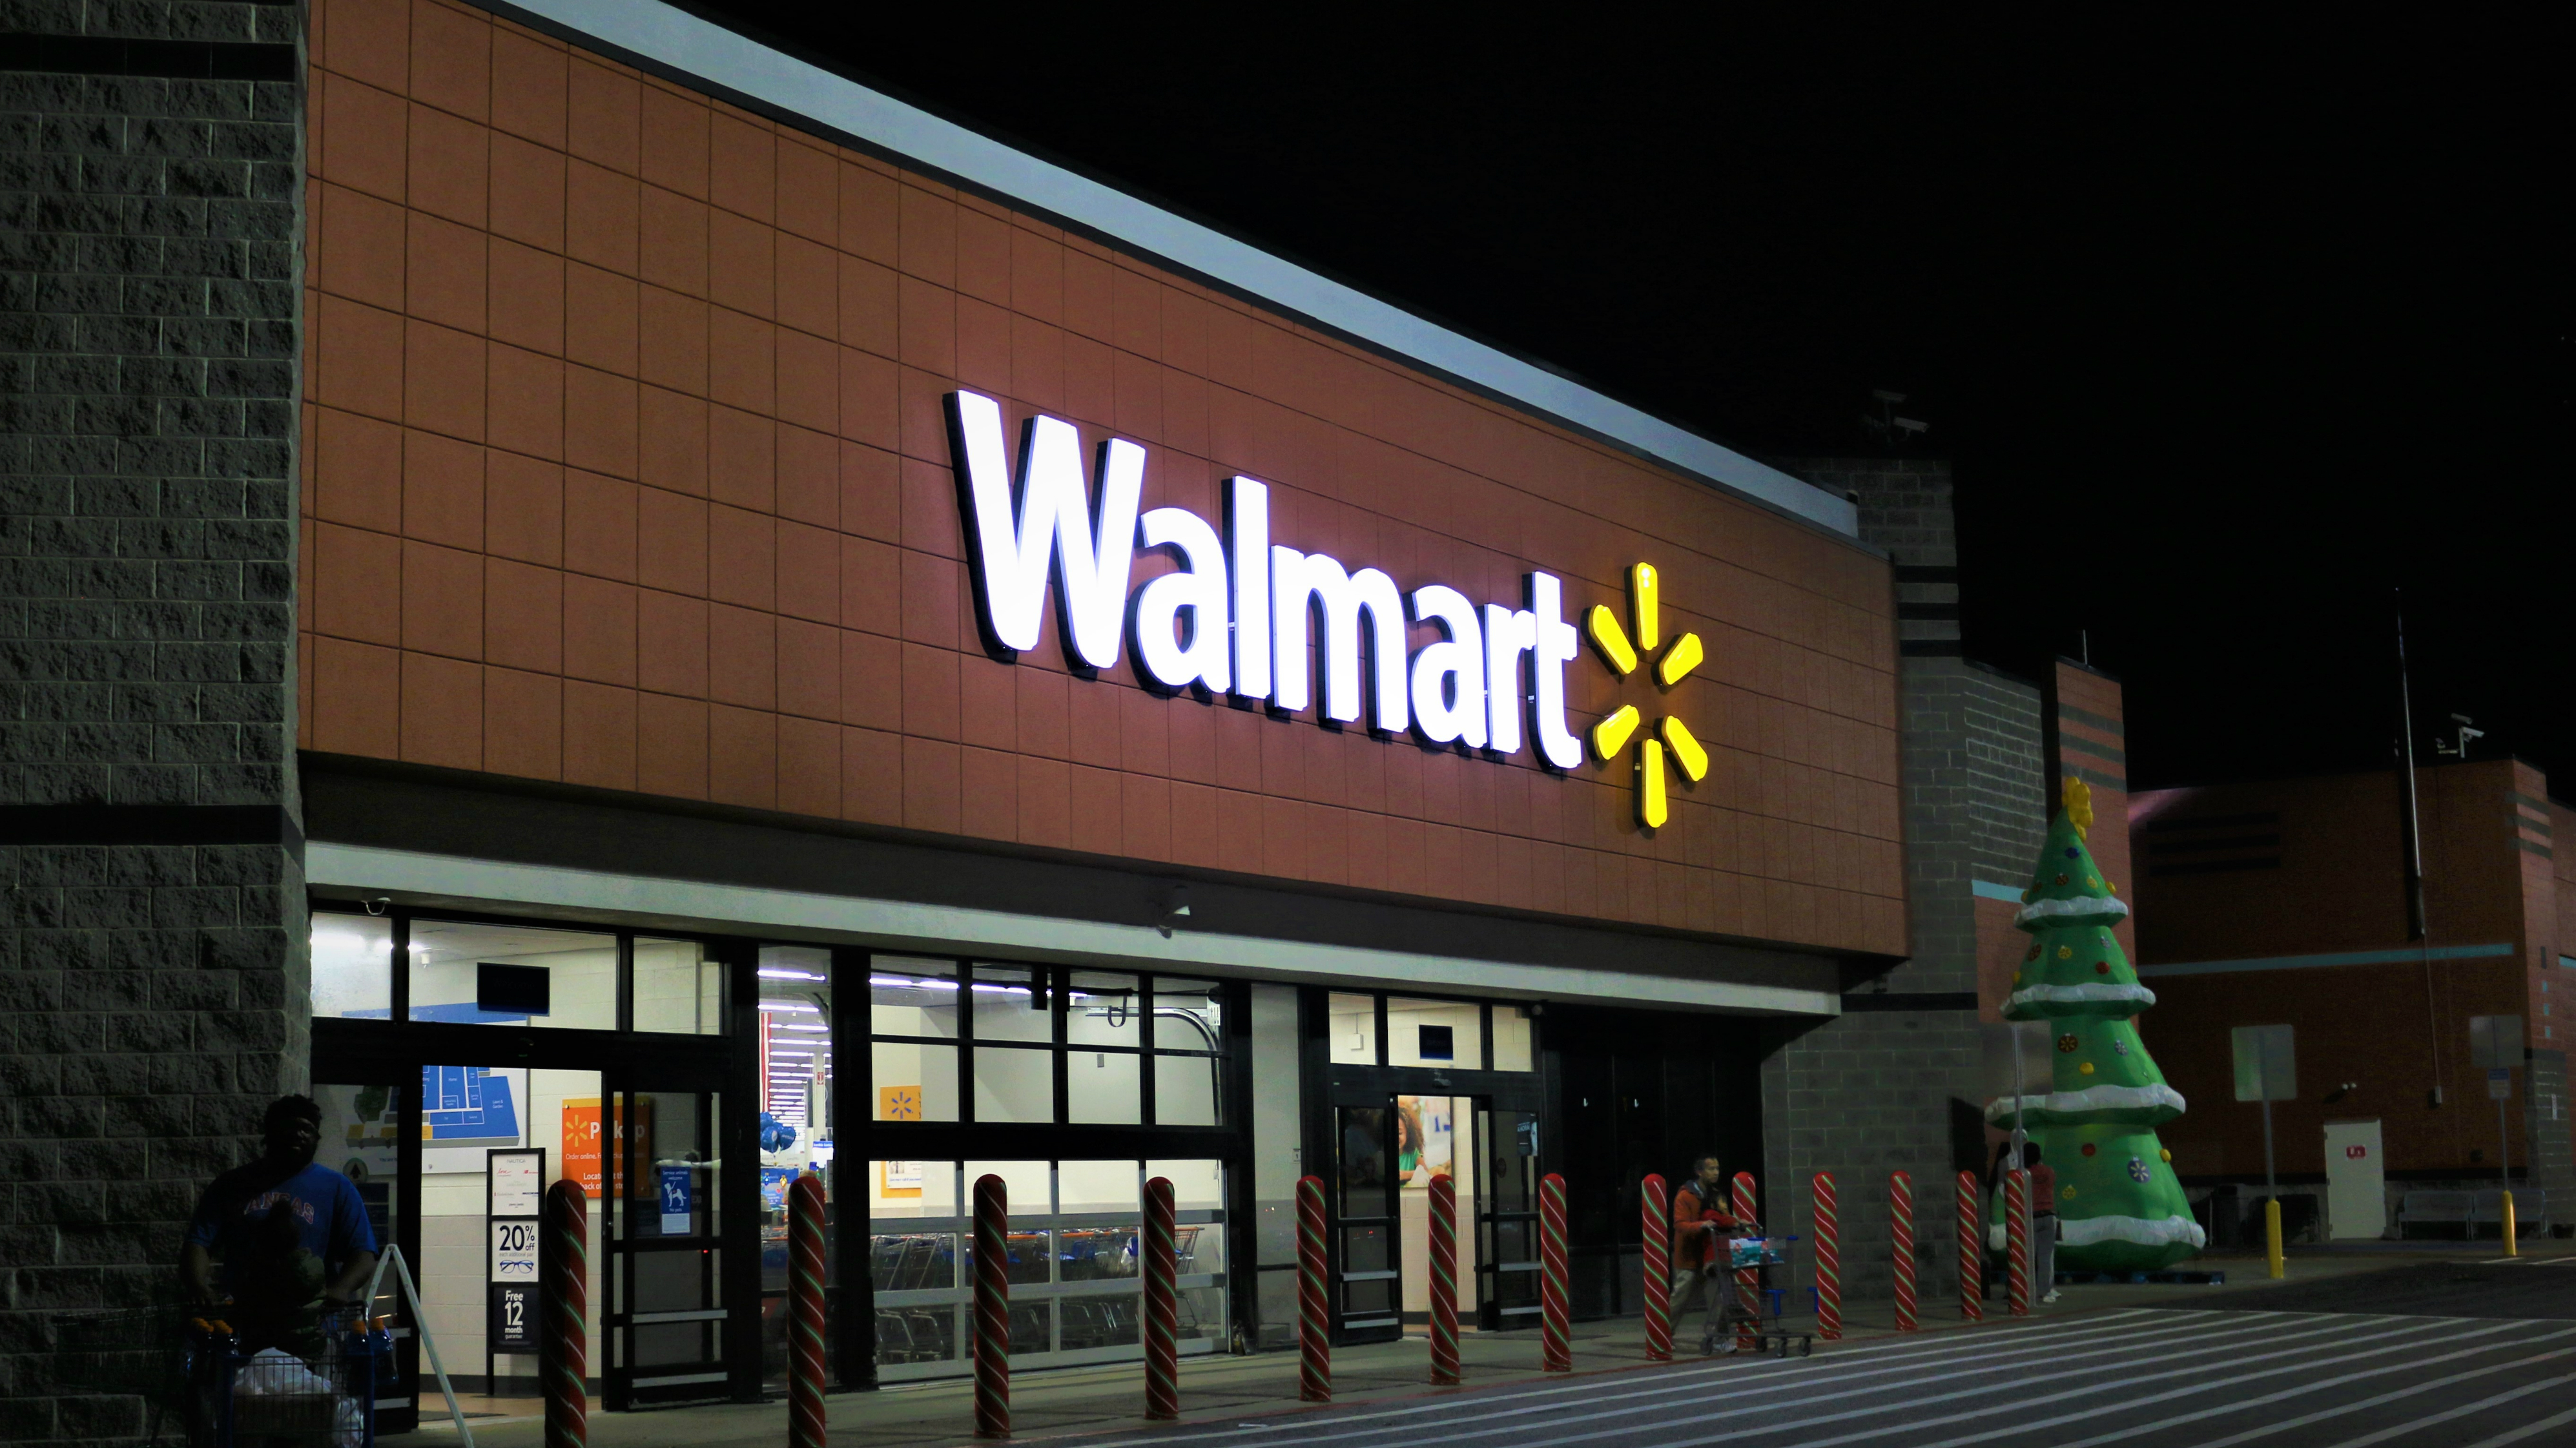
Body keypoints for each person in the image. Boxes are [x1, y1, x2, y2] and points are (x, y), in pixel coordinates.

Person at [181, 1095, 380, 1357]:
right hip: (243, 1321)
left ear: (317, 1138)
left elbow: (363, 1253)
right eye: (291, 1126)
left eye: (307, 1129)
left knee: (307, 1394)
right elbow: (200, 1241)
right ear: (270, 1132)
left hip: (310, 1324)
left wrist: (342, 1288)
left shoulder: (337, 1188)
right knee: (242, 1393)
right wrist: (199, 1285)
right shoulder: (233, 1185)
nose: (299, 1134)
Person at [1669, 1155, 1759, 1353]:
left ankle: (1720, 1338)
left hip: (1712, 1256)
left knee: (1719, 1298)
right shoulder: (1685, 1195)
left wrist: (1737, 1222)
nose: (1716, 1172)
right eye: (1711, 1169)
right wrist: (1701, 1225)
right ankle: (1664, 1334)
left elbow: (1723, 1217)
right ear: (1699, 1172)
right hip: (1690, 1256)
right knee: (1681, 1298)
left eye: (1717, 1168)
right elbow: (1680, 1224)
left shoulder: (1717, 1195)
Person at [2028, 1141, 2061, 1304]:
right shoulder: (2049, 1172)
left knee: (2029, 1256)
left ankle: (2027, 1290)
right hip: (2048, 1216)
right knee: (2045, 1257)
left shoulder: (2024, 1174)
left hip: (2030, 1217)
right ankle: (2045, 1292)